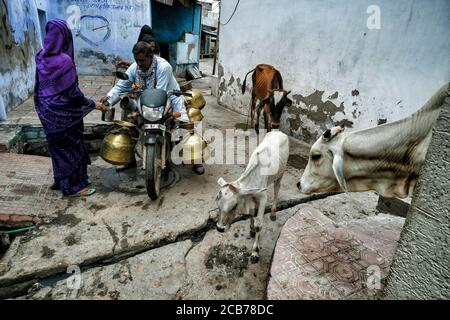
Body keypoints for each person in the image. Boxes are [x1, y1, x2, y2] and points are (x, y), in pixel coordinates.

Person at [100, 42, 205, 175]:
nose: (139, 63)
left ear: (151, 56)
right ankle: (128, 160)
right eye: (136, 60)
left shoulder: (164, 67)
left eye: (142, 60)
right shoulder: (134, 68)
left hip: (169, 97)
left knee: (183, 128)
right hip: (145, 101)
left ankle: (196, 160)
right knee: (129, 126)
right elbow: (121, 86)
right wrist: (108, 97)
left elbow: (160, 91)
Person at [34, 19, 109, 197]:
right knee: (71, 147)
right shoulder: (64, 61)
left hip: (47, 111)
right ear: (64, 36)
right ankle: (73, 187)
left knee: (58, 148)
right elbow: (73, 93)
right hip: (64, 113)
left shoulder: (40, 56)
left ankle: (65, 180)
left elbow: (39, 86)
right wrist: (93, 104)